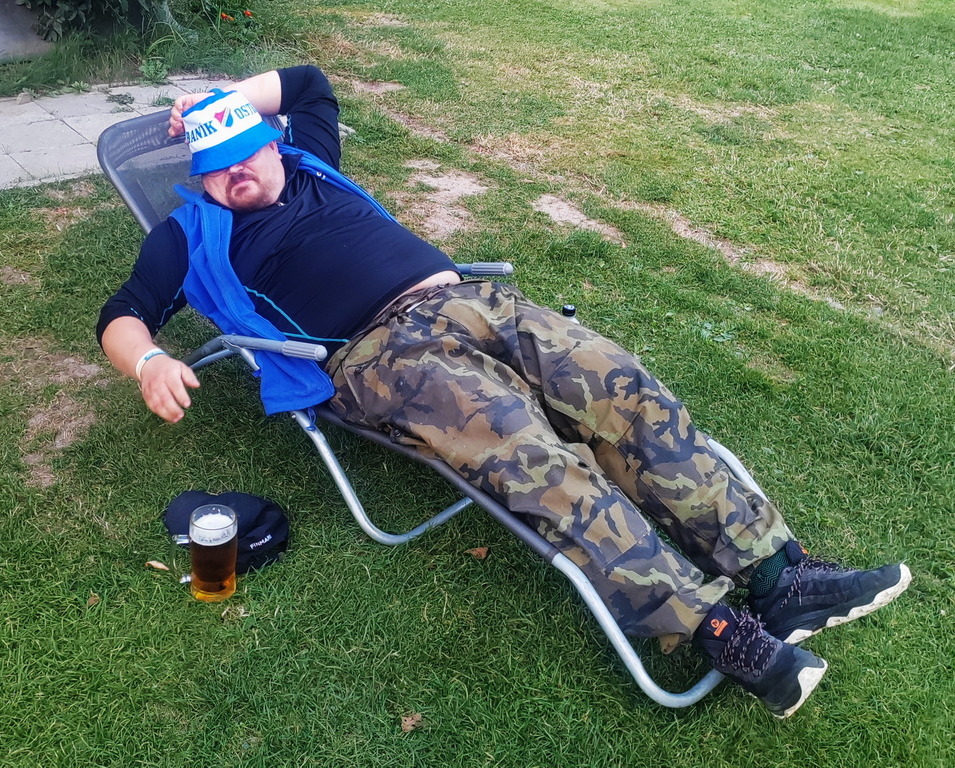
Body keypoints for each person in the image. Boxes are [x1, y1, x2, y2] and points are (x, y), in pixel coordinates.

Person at [97, 65, 911, 718]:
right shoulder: (187, 236)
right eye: (213, 167)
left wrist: (218, 100)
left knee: (624, 392)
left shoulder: (312, 159)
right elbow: (123, 315)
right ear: (199, 180)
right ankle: (720, 629)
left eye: (244, 150)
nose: (234, 173)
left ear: (273, 142)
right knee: (534, 456)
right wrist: (149, 362)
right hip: (381, 355)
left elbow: (308, 83)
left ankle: (777, 577)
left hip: (478, 301)